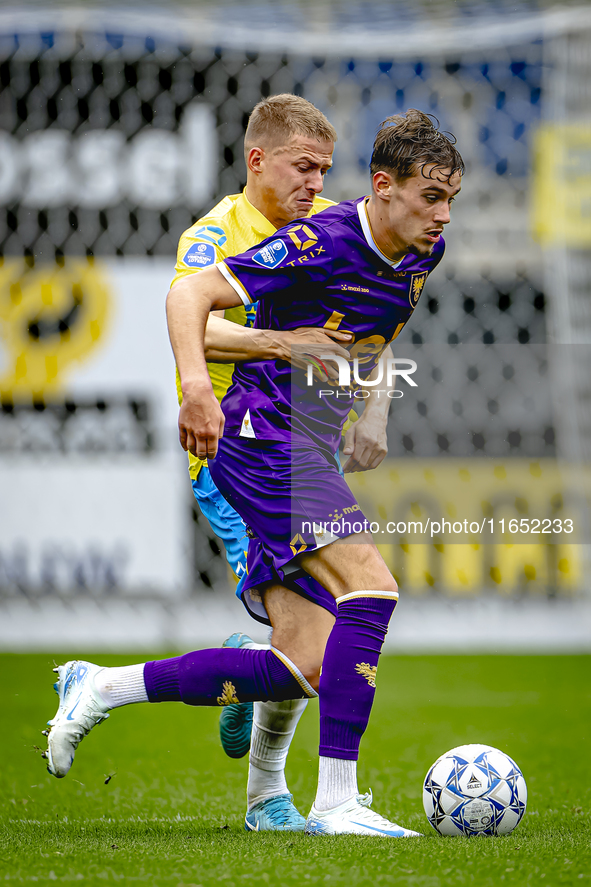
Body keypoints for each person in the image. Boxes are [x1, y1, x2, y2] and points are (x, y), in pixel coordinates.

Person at [43, 109, 462, 837]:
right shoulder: (295, 238)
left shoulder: (416, 246)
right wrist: (204, 384)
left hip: (305, 441)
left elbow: (369, 330)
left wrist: (374, 409)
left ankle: (104, 686)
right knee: (369, 586)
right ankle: (335, 799)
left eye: (322, 169)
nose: (443, 214)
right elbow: (185, 300)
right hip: (253, 435)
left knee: (304, 658)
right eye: (303, 166)